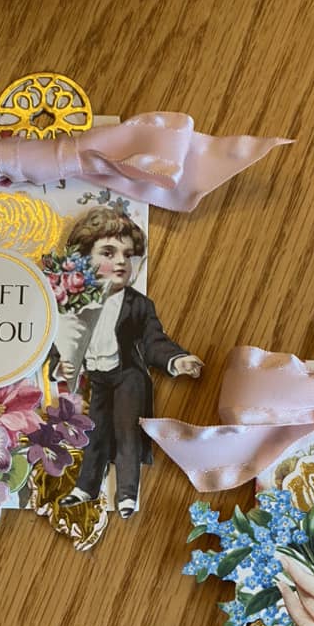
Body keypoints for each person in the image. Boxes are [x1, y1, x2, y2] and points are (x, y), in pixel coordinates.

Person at [55, 206, 203, 518]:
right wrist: (64, 364)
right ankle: (86, 487)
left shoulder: (139, 304)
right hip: (96, 377)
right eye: (108, 252)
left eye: (128, 254)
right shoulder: (74, 303)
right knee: (93, 432)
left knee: (127, 434)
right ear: (82, 259)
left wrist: (177, 360)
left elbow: (153, 341)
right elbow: (61, 340)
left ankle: (126, 496)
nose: (121, 261)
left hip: (128, 377)